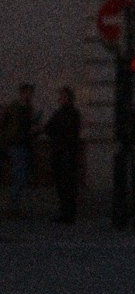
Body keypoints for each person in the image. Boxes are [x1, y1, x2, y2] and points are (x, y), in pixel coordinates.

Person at [44, 86, 82, 223]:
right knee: (63, 186)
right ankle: (66, 213)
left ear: (68, 98)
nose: (60, 99)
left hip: (66, 154)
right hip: (62, 153)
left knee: (67, 186)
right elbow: (49, 128)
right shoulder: (61, 113)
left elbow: (61, 131)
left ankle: (68, 214)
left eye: (62, 96)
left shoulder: (70, 114)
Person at [2, 82, 40, 217]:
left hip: (25, 145)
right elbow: (5, 124)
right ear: (22, 93)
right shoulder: (14, 107)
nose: (30, 95)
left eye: (31, 93)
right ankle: (13, 208)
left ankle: (14, 206)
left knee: (21, 177)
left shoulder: (29, 109)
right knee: (19, 176)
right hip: (16, 145)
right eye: (28, 92)